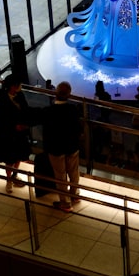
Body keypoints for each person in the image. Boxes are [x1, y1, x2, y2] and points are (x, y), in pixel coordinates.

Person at [41, 81, 82, 212]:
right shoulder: (73, 110)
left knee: (60, 175)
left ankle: (65, 203)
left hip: (55, 148)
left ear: (55, 94)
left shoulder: (48, 111)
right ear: (69, 95)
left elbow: (46, 132)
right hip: (72, 146)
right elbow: (78, 129)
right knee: (74, 172)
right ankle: (75, 195)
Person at [0, 74, 34, 193]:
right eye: (18, 85)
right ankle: (9, 179)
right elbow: (0, 121)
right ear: (12, 87)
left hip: (20, 133)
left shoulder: (20, 95)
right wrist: (14, 126)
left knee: (18, 156)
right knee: (9, 159)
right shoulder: (1, 102)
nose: (20, 87)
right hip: (8, 135)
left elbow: (25, 110)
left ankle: (14, 175)